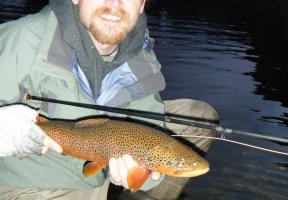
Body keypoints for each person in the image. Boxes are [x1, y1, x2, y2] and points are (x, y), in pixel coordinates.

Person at [0, 0, 219, 199]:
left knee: (199, 119)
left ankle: (136, 191)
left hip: (105, 149)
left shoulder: (138, 52)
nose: (114, 2)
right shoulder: (19, 39)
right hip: (29, 179)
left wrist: (143, 174)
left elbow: (153, 129)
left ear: (142, 4)